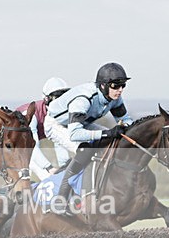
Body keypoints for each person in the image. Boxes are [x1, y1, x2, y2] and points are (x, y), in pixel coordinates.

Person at [46, 63, 134, 213]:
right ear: (103, 85)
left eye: (123, 85)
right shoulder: (84, 99)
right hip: (57, 125)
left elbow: (126, 120)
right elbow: (75, 134)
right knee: (85, 149)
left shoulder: (115, 98)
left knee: (114, 141)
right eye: (115, 85)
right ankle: (60, 199)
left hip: (81, 124)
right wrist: (107, 133)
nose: (120, 90)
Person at [16, 77, 72, 181]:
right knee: (46, 176)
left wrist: (64, 167)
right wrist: (49, 167)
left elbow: (60, 142)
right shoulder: (31, 113)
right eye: (58, 98)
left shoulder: (60, 115)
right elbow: (32, 146)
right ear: (47, 99)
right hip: (17, 147)